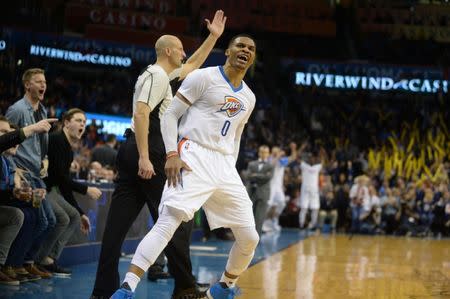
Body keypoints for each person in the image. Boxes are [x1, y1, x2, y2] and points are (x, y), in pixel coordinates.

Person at [91, 10, 227, 299]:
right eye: (179, 49)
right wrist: (145, 157)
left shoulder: (164, 75)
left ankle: (102, 292)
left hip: (134, 149)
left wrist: (213, 37)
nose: (183, 52)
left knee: (115, 230)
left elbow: (191, 66)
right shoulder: (155, 75)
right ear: (167, 51)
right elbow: (141, 113)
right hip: (148, 147)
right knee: (177, 217)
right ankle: (186, 287)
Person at [111, 33, 258, 299]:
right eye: (240, 45)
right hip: (194, 153)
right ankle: (127, 288)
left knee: (250, 237)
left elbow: (235, 137)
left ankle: (223, 287)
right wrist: (171, 154)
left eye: (251, 48)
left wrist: (230, 168)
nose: (245, 50)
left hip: (224, 164)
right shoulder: (203, 77)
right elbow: (170, 114)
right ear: (228, 51)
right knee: (169, 221)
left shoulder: (249, 97)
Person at [35, 108, 102, 275]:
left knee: (72, 215)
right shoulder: (56, 140)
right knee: (64, 218)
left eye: (84, 122)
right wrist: (86, 189)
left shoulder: (68, 148)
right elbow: (60, 178)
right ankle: (40, 259)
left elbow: (63, 185)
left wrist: (80, 213)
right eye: (78, 120)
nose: (82, 125)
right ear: (66, 123)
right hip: (39, 187)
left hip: (49, 189)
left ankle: (49, 259)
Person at [6, 68, 57, 279]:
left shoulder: (43, 110)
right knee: (43, 220)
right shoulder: (17, 110)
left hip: (37, 173)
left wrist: (44, 158)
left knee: (48, 221)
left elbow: (41, 141)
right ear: (28, 85)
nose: (43, 85)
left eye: (44, 81)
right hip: (23, 173)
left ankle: (25, 262)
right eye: (38, 81)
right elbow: (7, 140)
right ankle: (14, 263)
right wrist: (12, 169)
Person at [245, 145, 274, 235]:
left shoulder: (271, 166)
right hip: (251, 193)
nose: (263, 154)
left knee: (259, 218)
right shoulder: (251, 164)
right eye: (262, 152)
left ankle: (256, 238)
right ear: (259, 152)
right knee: (248, 217)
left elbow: (268, 177)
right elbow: (248, 176)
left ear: (268, 154)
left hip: (263, 194)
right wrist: (261, 176)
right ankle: (246, 237)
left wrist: (255, 175)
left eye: (265, 152)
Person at [262, 146, 289, 233]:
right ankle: (263, 223)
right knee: (268, 205)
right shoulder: (268, 159)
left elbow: (290, 160)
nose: (276, 153)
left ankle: (274, 219)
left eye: (277, 151)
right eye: (274, 151)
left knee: (282, 203)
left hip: (278, 187)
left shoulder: (282, 160)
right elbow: (271, 164)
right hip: (270, 186)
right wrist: (278, 156)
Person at [298, 151, 323, 230]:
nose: (311, 159)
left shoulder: (317, 167)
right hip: (305, 189)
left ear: (315, 159)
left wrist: (322, 154)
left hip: (314, 190)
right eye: (310, 158)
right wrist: (302, 148)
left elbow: (323, 162)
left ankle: (313, 225)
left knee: (315, 208)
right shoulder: (304, 166)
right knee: (303, 208)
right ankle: (301, 224)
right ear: (307, 159)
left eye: (313, 158)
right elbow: (297, 159)